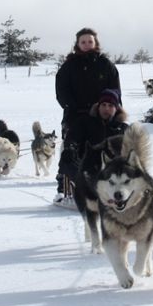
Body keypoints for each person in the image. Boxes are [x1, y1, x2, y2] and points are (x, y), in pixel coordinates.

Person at [54, 27, 121, 199]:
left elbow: (115, 89)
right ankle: (65, 182)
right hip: (76, 114)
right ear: (77, 44)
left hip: (103, 112)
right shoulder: (69, 65)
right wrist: (71, 107)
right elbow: (62, 90)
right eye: (83, 42)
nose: (87, 44)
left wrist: (112, 107)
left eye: (90, 41)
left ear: (95, 43)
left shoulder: (105, 65)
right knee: (71, 147)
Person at [61, 88, 128, 181]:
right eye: (103, 105)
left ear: (116, 109)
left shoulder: (124, 129)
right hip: (87, 170)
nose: (106, 109)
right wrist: (70, 149)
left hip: (115, 175)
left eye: (110, 105)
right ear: (98, 106)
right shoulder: (85, 123)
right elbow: (72, 138)